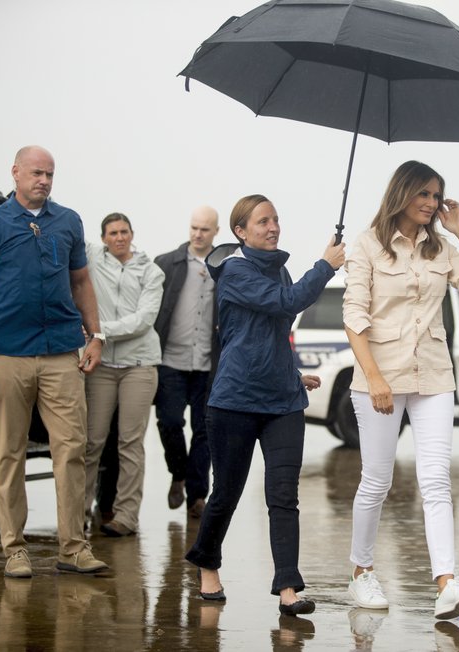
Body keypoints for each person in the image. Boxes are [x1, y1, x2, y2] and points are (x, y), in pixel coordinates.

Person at [343, 160, 459, 619]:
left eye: (436, 195)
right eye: (424, 195)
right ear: (402, 194)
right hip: (380, 379)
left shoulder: (442, 247)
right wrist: (374, 378)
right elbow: (355, 317)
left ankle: (446, 584)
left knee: (436, 481)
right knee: (377, 481)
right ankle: (362, 572)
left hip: (433, 376)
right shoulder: (367, 246)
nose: (431, 204)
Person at [185, 194, 345, 615]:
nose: (273, 227)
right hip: (234, 400)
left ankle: (288, 589)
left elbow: (270, 331)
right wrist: (325, 265)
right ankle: (206, 561)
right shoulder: (234, 271)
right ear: (241, 232)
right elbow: (285, 303)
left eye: (276, 219)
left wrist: (289, 373)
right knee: (227, 494)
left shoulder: (281, 269)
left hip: (283, 401)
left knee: (283, 495)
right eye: (262, 222)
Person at [0, 145, 109, 577]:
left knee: (71, 449)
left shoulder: (68, 221)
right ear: (16, 173)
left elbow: (81, 282)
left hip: (62, 352)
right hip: (6, 355)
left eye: (50, 175)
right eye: (37, 173)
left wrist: (96, 336)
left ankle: (73, 548)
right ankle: (15, 549)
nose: (44, 180)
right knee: (9, 453)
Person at [82, 213, 165, 537]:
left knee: (130, 443)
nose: (119, 237)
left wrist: (98, 332)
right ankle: (77, 515)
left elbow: (144, 319)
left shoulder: (151, 272)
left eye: (124, 232)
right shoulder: (91, 258)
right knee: (91, 442)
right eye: (113, 233)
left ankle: (126, 516)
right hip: (100, 366)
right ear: (103, 238)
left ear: (132, 234)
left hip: (139, 365)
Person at [153, 206, 220, 519]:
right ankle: (178, 473)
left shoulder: (225, 268)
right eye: (194, 227)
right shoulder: (166, 263)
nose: (197, 234)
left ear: (216, 232)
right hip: (171, 360)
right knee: (169, 422)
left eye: (205, 229)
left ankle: (197, 496)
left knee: (204, 430)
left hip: (208, 365)